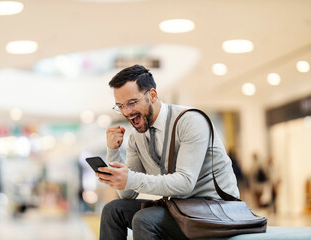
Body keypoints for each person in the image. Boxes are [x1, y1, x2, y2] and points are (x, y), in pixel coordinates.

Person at [96, 65, 239, 240]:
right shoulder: (136, 137)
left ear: (152, 95)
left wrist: (130, 178)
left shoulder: (191, 121)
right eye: (120, 106)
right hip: (180, 208)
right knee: (113, 210)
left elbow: (185, 182)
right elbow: (127, 193)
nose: (126, 111)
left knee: (145, 219)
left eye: (132, 103)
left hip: (215, 208)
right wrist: (113, 151)